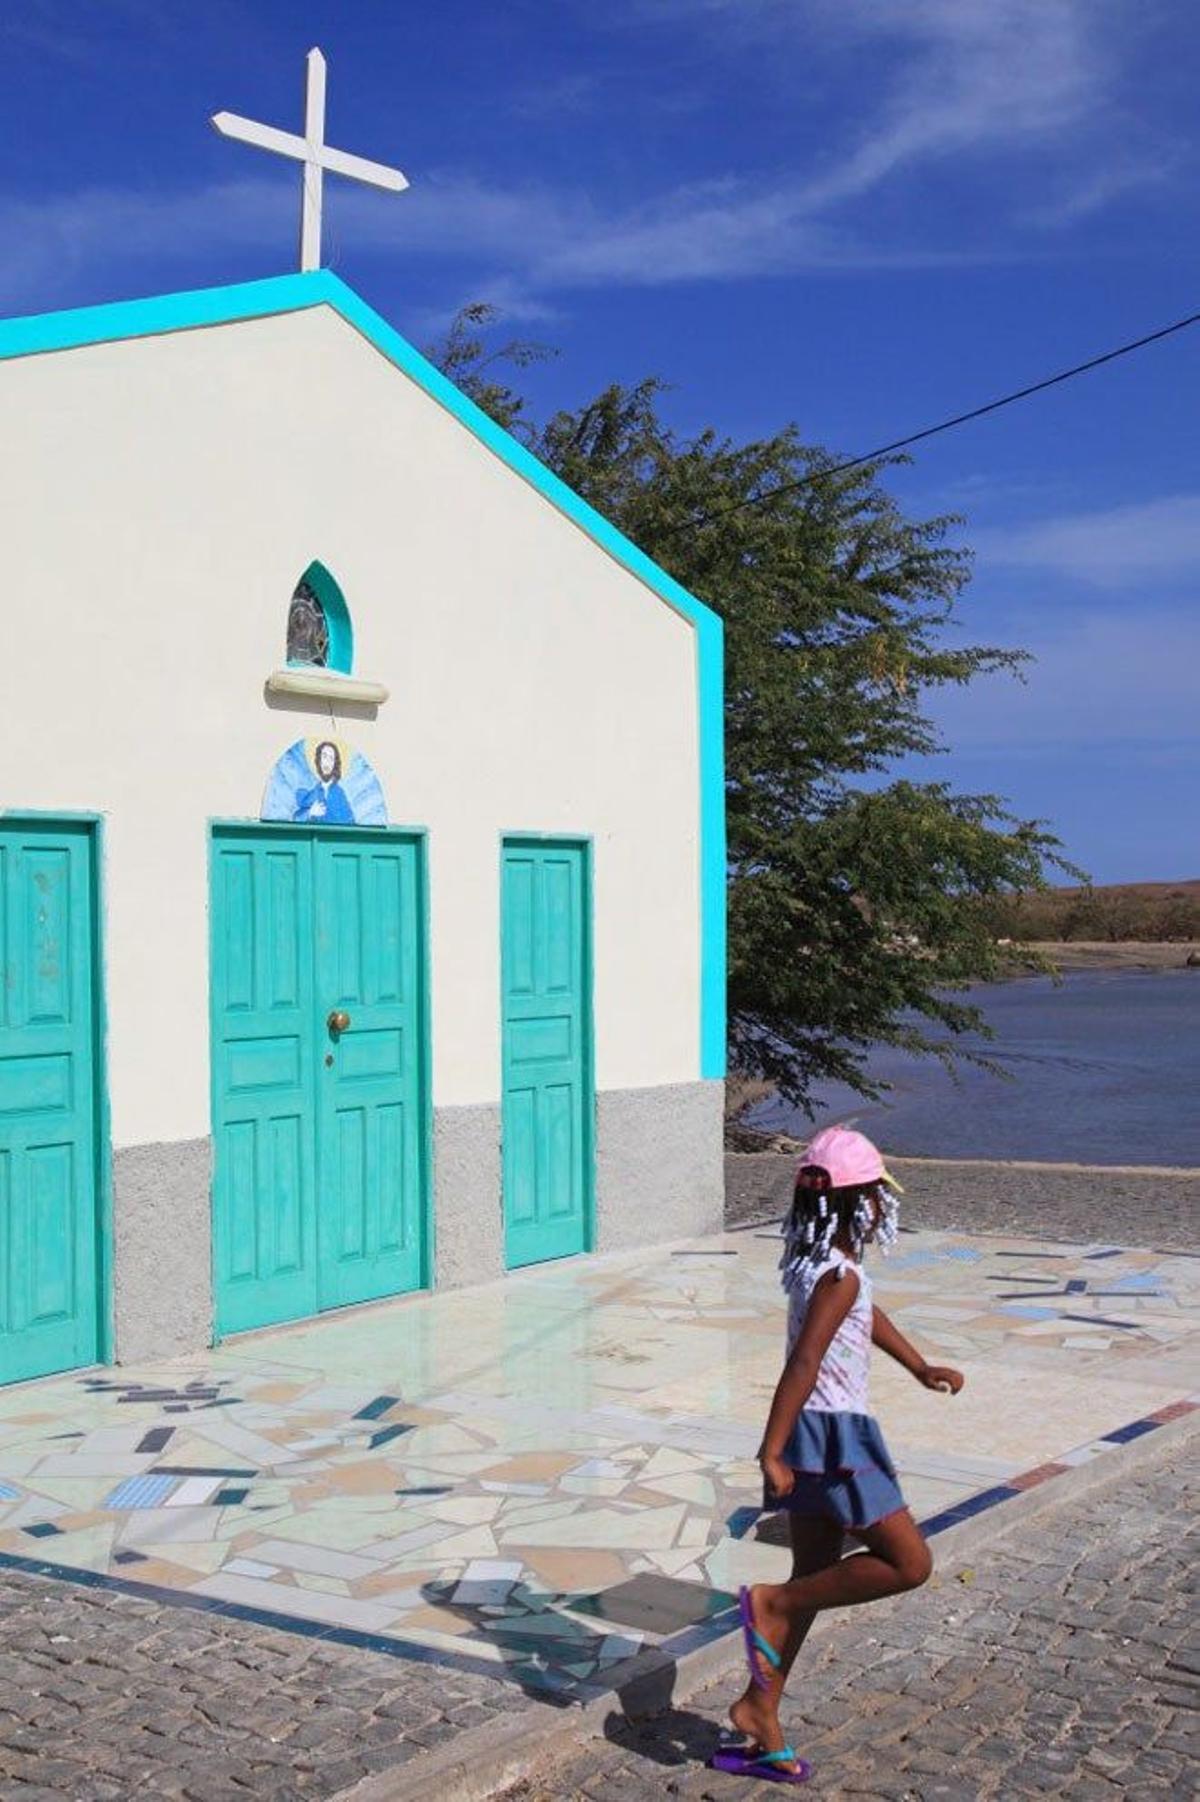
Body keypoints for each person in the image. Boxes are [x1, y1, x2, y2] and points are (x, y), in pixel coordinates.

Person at [711, 1126, 964, 1786]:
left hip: (817, 1436)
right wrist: (768, 1449)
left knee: (814, 1577)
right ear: (858, 1204)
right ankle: (768, 1606)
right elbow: (806, 1359)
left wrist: (917, 1366)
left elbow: (863, 1315)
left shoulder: (827, 1268)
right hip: (837, 1440)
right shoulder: (839, 1276)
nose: (883, 1208)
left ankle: (760, 1710)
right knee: (909, 1562)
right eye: (878, 1196)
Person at [295, 740, 354, 824]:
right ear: (319, 760)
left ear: (335, 764)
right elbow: (296, 819)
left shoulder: (339, 793)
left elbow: (350, 822)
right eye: (324, 756)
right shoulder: (311, 792)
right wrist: (310, 812)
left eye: (331, 759)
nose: (327, 763)